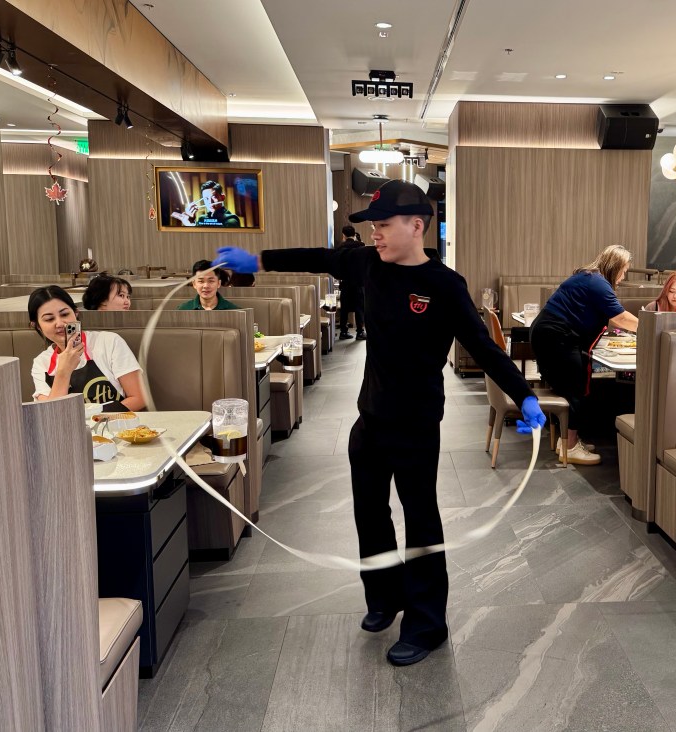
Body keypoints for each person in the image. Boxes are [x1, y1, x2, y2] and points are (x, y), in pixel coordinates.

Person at [211, 180, 546, 667]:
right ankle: (384, 596)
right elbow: (319, 256)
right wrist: (258, 260)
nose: (375, 235)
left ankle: (428, 624)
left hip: (416, 425)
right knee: (369, 514)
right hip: (369, 419)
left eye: (384, 225)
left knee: (422, 523)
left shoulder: (444, 285)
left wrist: (525, 395)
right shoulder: (366, 262)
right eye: (372, 226)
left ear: (416, 225)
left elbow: (484, 345)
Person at [530, 245, 640, 466]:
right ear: (615, 266)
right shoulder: (598, 283)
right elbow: (622, 319)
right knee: (576, 388)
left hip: (550, 333)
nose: (623, 276)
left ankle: (567, 441)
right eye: (624, 270)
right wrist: (652, 327)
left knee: (574, 386)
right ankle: (570, 447)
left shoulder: (589, 278)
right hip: (557, 337)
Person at [28, 286, 145, 411]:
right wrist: (63, 371)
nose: (60, 323)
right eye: (49, 319)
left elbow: (139, 398)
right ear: (37, 326)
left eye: (65, 314)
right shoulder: (41, 363)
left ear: (76, 313)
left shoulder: (108, 342)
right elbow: (51, 413)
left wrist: (96, 418)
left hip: (115, 426)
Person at [337, 225, 366, 340]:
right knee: (359, 307)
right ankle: (360, 332)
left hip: (345, 281)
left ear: (343, 235)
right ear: (354, 234)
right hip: (358, 281)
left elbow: (337, 266)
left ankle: (343, 332)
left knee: (344, 308)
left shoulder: (340, 247)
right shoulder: (361, 246)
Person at [172, 180, 242, 227]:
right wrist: (191, 221)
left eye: (214, 197)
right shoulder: (202, 219)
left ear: (223, 197)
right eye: (206, 198)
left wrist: (190, 225)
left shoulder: (231, 220)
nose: (210, 202)